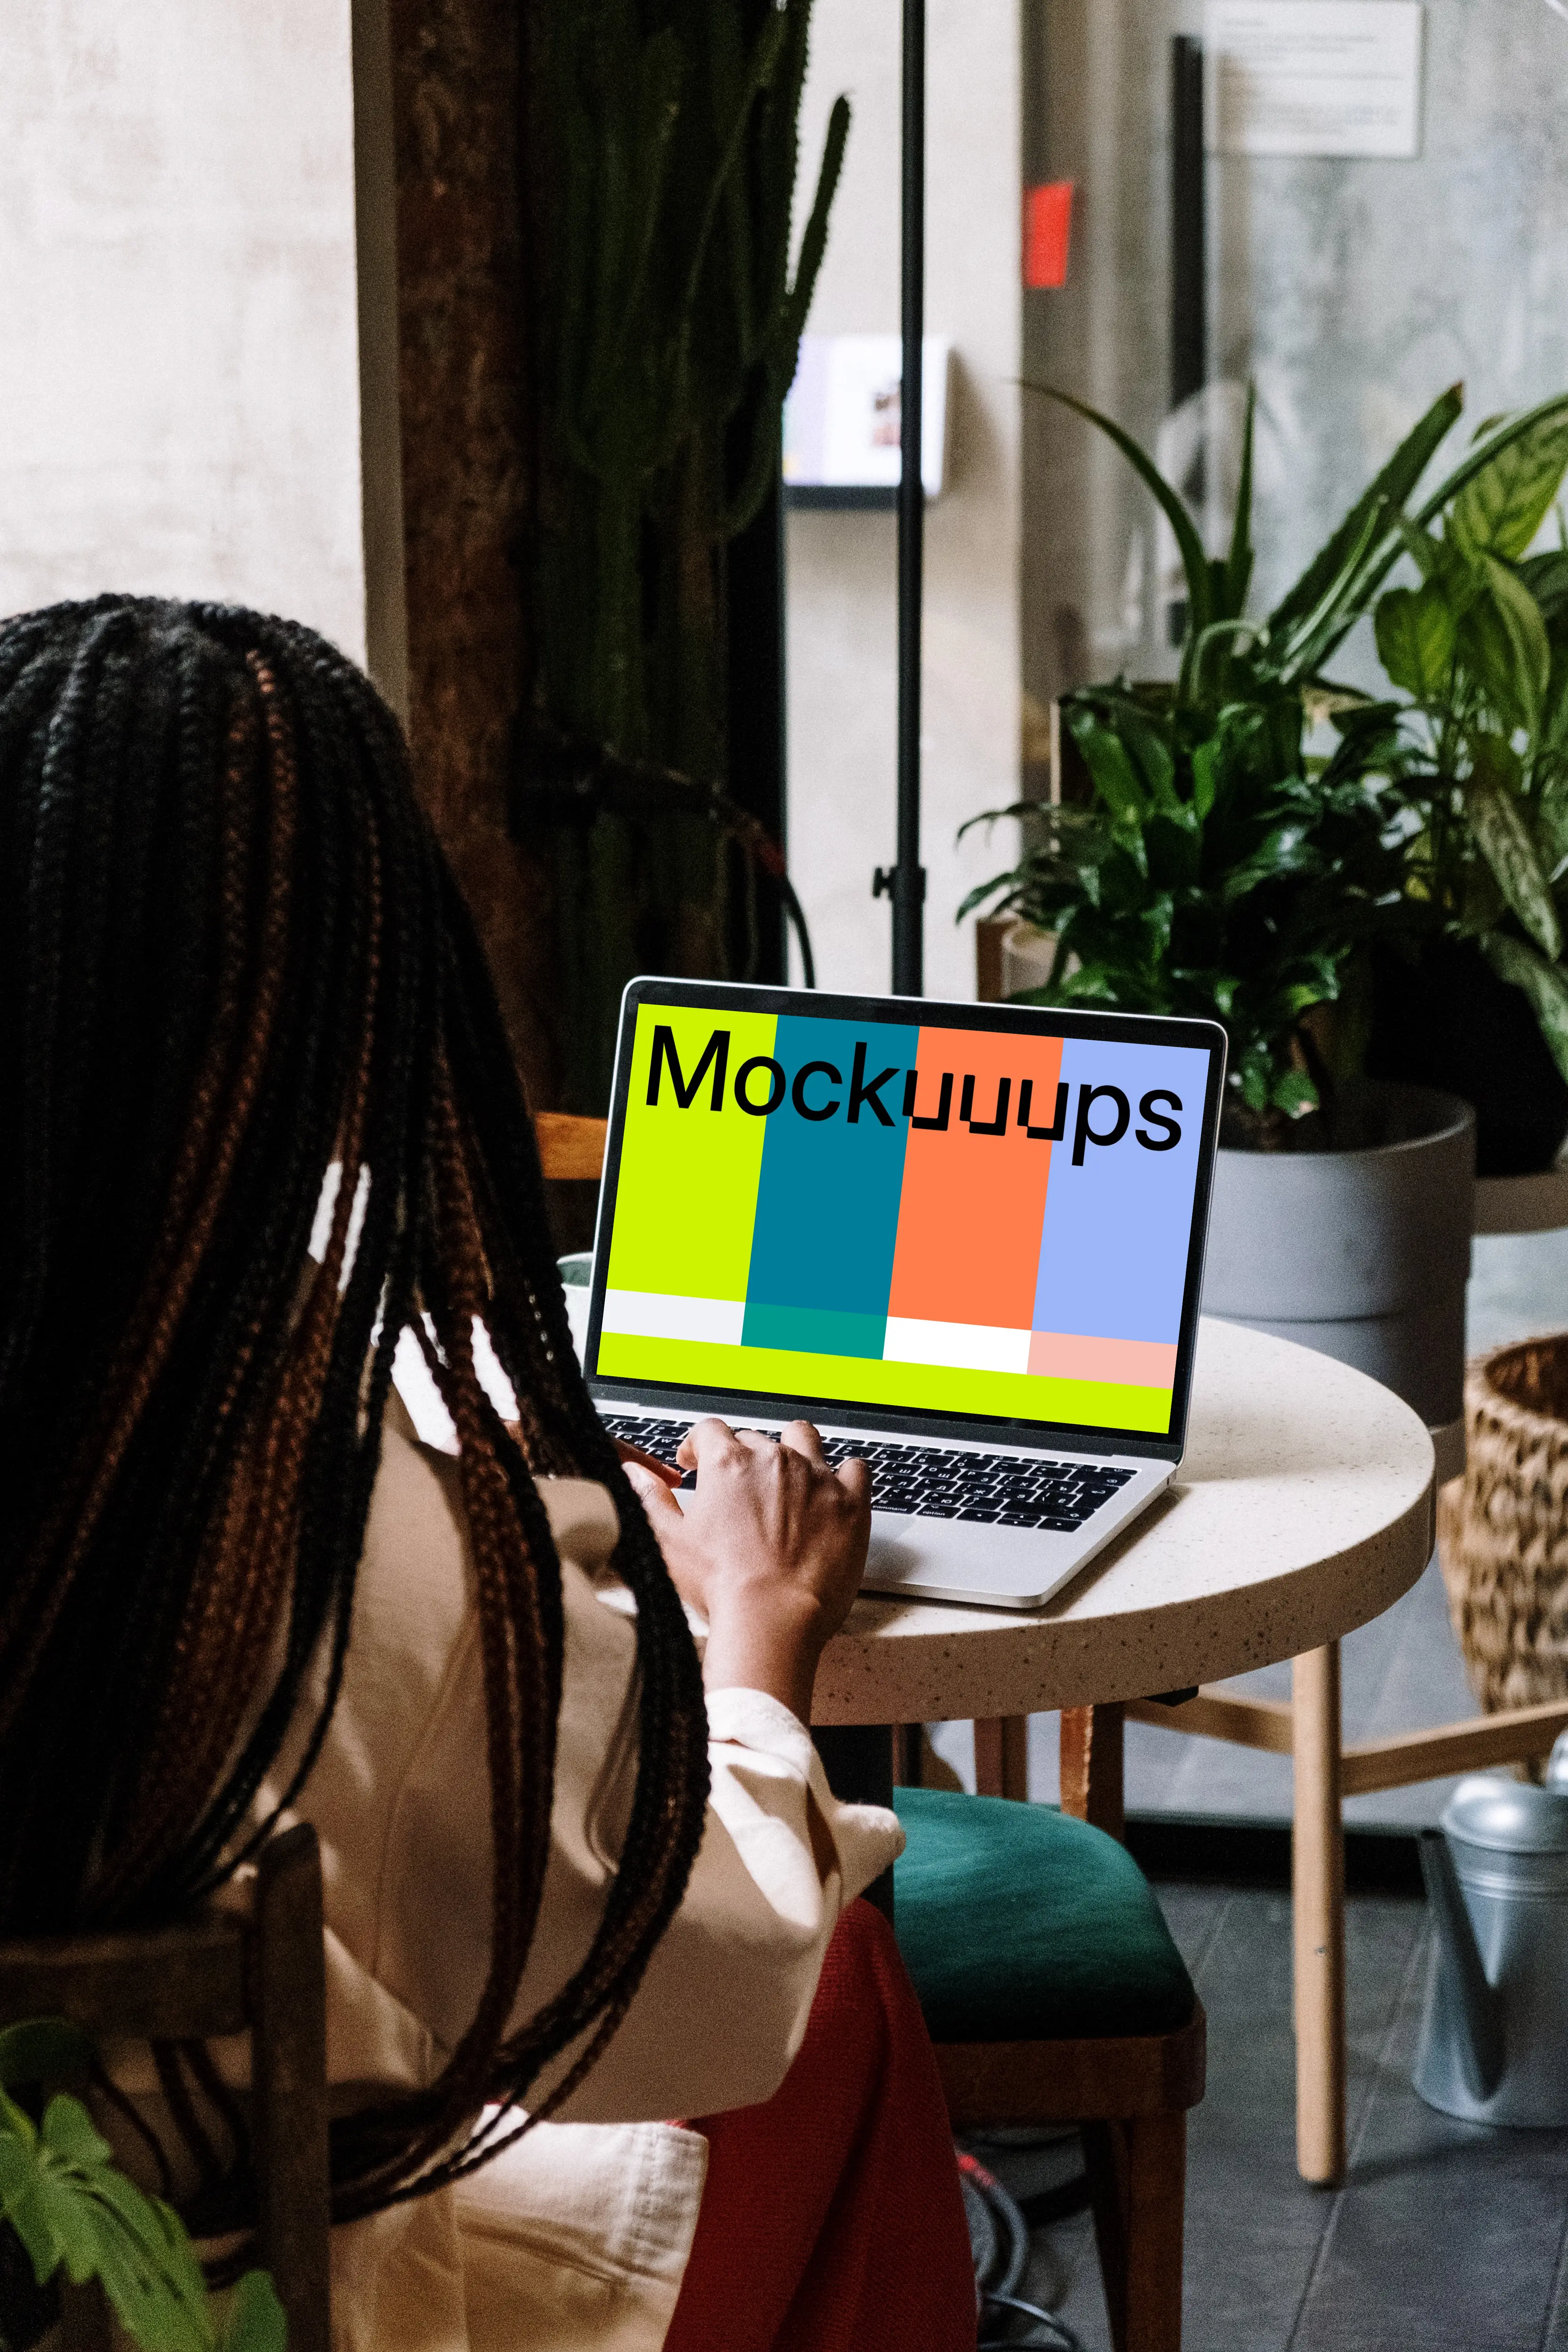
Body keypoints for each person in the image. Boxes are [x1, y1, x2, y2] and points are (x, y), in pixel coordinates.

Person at [0, 598, 975, 2350]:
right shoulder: (338, 1537)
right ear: (350, 1010)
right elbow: (709, 2000)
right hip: (220, 2307)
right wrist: (757, 1651)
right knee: (835, 1986)